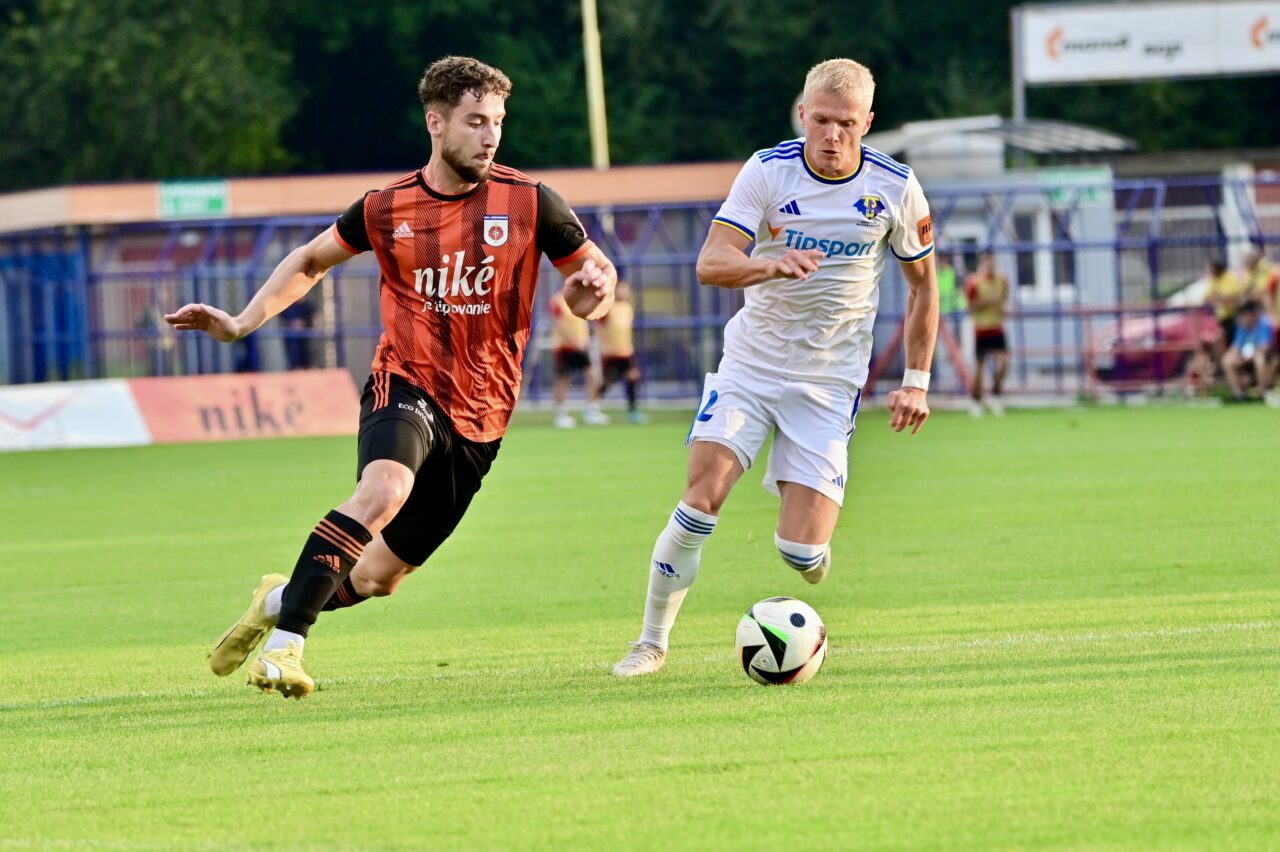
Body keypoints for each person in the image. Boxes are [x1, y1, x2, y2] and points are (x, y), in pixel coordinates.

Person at [166, 56, 616, 699]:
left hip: (483, 415)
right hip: (405, 382)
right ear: (436, 122)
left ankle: (276, 601)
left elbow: (589, 284)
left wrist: (594, 289)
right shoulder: (387, 207)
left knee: (379, 577)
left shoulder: (531, 201)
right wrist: (240, 324)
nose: (491, 136)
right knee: (383, 490)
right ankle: (287, 646)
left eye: (498, 121)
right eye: (475, 121)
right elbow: (311, 260)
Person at [611, 58, 937, 677]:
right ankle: (650, 643)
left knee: (800, 553)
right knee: (700, 500)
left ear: (868, 122)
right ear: (802, 114)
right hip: (751, 367)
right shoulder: (767, 170)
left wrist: (915, 383)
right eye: (821, 120)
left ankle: (812, 544)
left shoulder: (896, 187)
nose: (832, 135)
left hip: (829, 381)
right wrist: (769, 264)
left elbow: (925, 286)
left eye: (846, 124)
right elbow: (710, 263)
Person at [549, 289, 608, 428]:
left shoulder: (581, 299)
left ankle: (592, 410)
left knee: (592, 375)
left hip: (581, 347)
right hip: (565, 347)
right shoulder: (558, 301)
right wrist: (574, 341)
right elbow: (560, 324)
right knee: (563, 379)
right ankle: (560, 414)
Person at [597, 280, 648, 423]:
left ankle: (632, 411)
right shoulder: (608, 307)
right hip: (612, 352)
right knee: (608, 380)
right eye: (621, 289)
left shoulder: (627, 308)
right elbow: (600, 328)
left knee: (633, 376)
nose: (624, 292)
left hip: (626, 351)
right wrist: (603, 345)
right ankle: (593, 406)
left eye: (626, 289)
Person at [964, 251, 1008, 416]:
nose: (990, 266)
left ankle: (995, 394)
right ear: (982, 264)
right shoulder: (974, 282)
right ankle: (975, 400)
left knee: (1004, 363)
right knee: (979, 368)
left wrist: (1001, 308)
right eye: (987, 263)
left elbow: (1003, 299)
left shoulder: (1002, 280)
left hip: (997, 328)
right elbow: (970, 307)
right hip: (981, 329)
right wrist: (986, 302)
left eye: (992, 263)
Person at [1221, 300, 1274, 402]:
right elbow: (1236, 346)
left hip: (1262, 355)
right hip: (1244, 356)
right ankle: (1238, 394)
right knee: (1227, 360)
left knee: (1259, 360)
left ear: (1253, 315)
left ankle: (1264, 392)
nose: (1244, 318)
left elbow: (1264, 347)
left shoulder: (1264, 324)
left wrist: (1248, 357)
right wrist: (1235, 355)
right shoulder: (1242, 326)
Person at [1204, 258, 1244, 360]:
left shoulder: (1228, 279)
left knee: (1234, 342)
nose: (1209, 272)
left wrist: (1219, 298)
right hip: (1222, 319)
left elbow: (1231, 300)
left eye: (1210, 269)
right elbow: (1208, 298)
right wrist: (1220, 298)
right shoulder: (1214, 280)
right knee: (1221, 342)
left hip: (1233, 317)